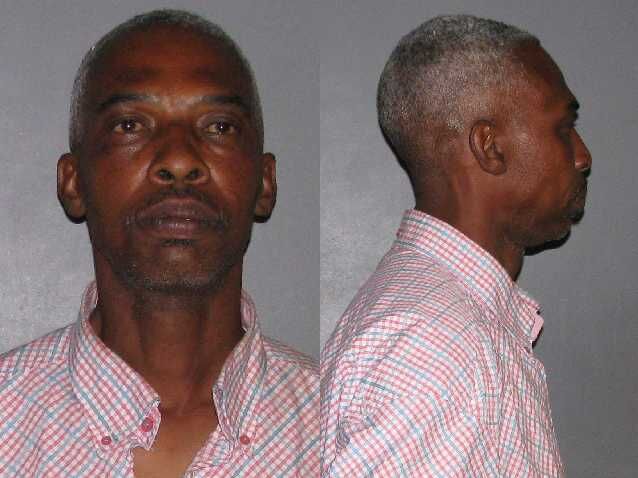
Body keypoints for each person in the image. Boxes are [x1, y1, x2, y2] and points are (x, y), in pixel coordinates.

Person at [0, 9, 318, 477]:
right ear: (73, 182)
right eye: (130, 125)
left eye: (219, 126)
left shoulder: (340, 429)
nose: (179, 159)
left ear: (265, 183)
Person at [321, 14, 591, 477]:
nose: (583, 156)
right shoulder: (438, 347)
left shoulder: (451, 325)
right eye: (563, 128)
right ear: (489, 146)